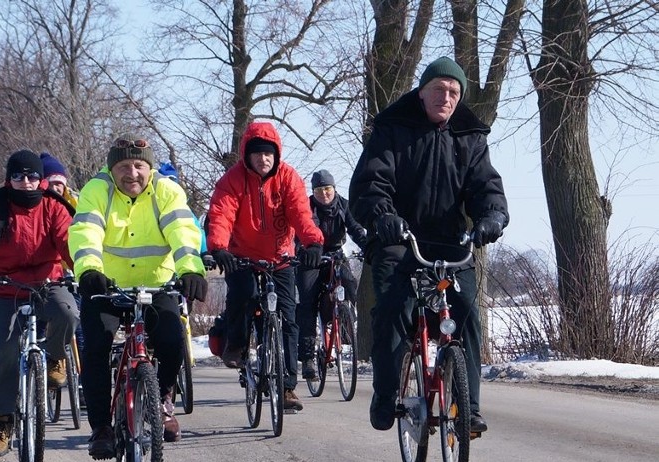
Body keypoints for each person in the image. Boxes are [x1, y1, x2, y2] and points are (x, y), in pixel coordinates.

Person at [349, 56, 508, 434]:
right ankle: (386, 394)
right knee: (392, 310)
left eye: (454, 92)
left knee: (467, 312)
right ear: (422, 93)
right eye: (439, 89)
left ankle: (466, 408)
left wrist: (491, 218)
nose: (447, 97)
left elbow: (486, 187)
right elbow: (370, 184)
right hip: (398, 240)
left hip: (450, 243)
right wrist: (383, 216)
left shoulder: (470, 137)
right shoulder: (392, 127)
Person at [68, 133, 207, 458]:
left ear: (150, 168)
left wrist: (190, 269)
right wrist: (88, 269)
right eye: (124, 167)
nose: (132, 174)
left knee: (174, 342)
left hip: (157, 285)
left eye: (139, 166)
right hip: (106, 287)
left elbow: (183, 230)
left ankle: (162, 400)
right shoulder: (96, 191)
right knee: (97, 347)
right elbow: (86, 230)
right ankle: (101, 426)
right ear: (112, 169)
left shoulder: (166, 191)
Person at [0, 149, 80, 457]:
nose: (26, 182)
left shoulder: (54, 207)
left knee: (68, 312)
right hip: (5, 287)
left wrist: (83, 270)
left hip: (47, 282)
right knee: (3, 350)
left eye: (32, 176)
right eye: (18, 176)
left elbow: (68, 242)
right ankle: (3, 420)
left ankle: (56, 357)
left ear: (41, 180)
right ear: (9, 179)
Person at [207, 121, 324, 411]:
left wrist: (312, 242)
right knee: (242, 296)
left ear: (277, 154)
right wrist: (219, 248)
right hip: (242, 256)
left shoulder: (288, 178)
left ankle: (287, 387)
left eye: (269, 153)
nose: (263, 159)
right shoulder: (232, 180)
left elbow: (301, 213)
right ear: (246, 154)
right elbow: (222, 214)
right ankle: (236, 343)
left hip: (281, 257)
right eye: (257, 153)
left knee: (288, 317)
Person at [296, 169, 368, 379]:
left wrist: (366, 245)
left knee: (349, 283)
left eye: (327, 189)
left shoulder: (344, 205)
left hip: (336, 253)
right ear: (314, 192)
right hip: (310, 256)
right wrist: (303, 250)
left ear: (334, 189)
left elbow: (355, 229)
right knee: (308, 301)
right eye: (319, 190)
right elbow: (300, 229)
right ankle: (308, 357)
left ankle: (344, 320)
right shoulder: (307, 207)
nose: (324, 194)